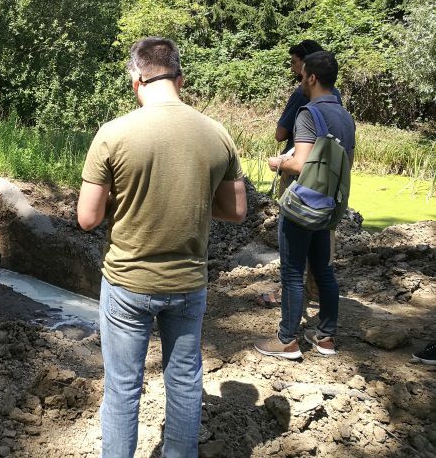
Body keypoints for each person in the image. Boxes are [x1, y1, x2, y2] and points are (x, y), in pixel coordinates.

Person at [77, 37, 247, 458]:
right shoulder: (217, 133)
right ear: (180, 78)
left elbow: (87, 218)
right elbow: (237, 210)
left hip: (127, 283)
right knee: (186, 383)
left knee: (122, 389)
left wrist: (127, 197)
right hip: (189, 282)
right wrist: (189, 194)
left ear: (136, 79)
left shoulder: (113, 134)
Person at [255, 51, 355, 360]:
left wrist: (277, 162)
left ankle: (287, 340)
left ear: (311, 78)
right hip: (329, 206)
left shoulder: (309, 113)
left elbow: (300, 163)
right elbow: (346, 163)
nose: (299, 80)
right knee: (324, 271)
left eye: (301, 76)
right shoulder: (345, 116)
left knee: (293, 273)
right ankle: (325, 338)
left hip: (302, 207)